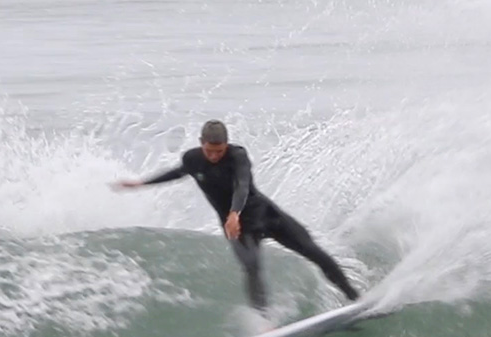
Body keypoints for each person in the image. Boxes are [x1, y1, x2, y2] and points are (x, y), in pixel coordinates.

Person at [114, 120, 360, 313]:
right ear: (201, 144)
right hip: (238, 228)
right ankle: (265, 322)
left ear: (227, 145)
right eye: (210, 151)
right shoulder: (192, 159)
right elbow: (178, 173)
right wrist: (142, 184)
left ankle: (354, 298)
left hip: (265, 214)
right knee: (251, 266)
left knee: (314, 252)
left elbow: (242, 185)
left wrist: (234, 213)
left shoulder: (237, 156)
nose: (214, 156)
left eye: (219, 151)